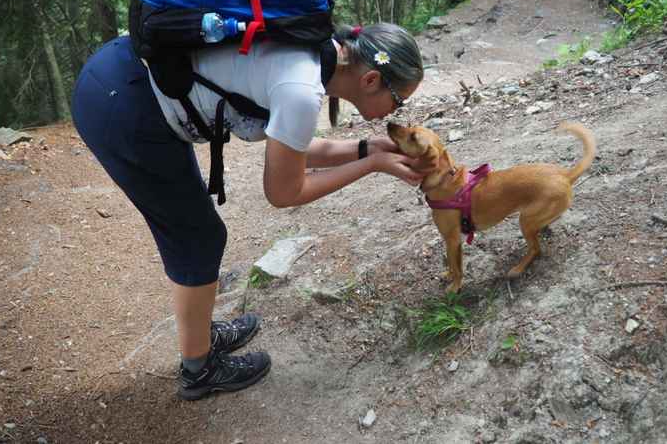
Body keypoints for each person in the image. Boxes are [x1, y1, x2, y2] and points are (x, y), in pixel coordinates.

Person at [71, 22, 426, 401]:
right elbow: (284, 191)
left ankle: (202, 338)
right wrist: (371, 165)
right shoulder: (302, 88)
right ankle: (199, 369)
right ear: (371, 79)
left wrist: (367, 149)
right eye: (399, 100)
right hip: (125, 106)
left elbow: (291, 150)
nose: (398, 112)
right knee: (198, 239)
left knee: (199, 232)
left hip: (125, 78)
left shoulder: (312, 50)